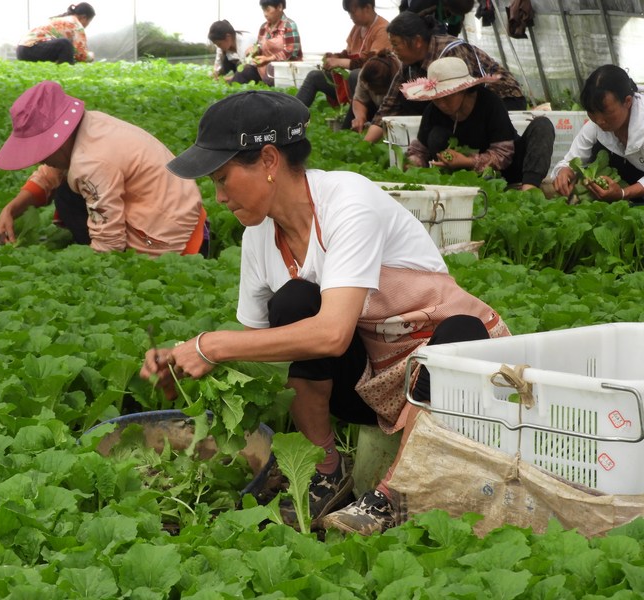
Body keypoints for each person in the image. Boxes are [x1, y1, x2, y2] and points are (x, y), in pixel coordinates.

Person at [139, 90, 510, 535]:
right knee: (295, 302)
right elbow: (258, 347)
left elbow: (332, 335)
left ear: (270, 160)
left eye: (222, 178)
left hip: (453, 377)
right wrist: (182, 361)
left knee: (460, 336)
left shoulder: (347, 202)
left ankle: (394, 496)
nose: (218, 197)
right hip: (374, 383)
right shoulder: (259, 234)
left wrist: (213, 346)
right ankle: (327, 470)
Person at [0, 81, 207, 256]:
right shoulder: (88, 125)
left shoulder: (91, 162)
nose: (39, 160)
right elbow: (49, 175)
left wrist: (85, 271)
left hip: (171, 243)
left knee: (67, 195)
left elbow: (109, 243)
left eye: (42, 149)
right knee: (67, 188)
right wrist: (11, 209)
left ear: (61, 138)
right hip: (187, 221)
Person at [402, 57, 555, 190]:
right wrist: (413, 164)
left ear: (463, 90)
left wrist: (467, 161)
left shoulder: (489, 103)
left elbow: (503, 154)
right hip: (462, 179)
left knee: (542, 125)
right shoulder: (433, 110)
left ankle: (529, 190)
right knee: (437, 135)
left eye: (447, 97)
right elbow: (419, 150)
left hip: (509, 171)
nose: (441, 103)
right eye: (436, 97)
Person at [370, 11, 526, 140]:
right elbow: (389, 106)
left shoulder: (449, 52)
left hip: (503, 100)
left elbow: (471, 95)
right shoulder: (408, 65)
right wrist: (366, 143)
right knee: (407, 97)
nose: (393, 50)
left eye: (396, 44)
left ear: (417, 41)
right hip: (461, 106)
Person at [552, 64, 644, 204]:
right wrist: (563, 172)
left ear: (627, 101)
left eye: (606, 112)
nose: (599, 121)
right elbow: (569, 161)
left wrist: (623, 193)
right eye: (592, 113)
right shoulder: (594, 126)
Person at [294, 0, 390, 129]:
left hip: (372, 89)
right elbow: (348, 52)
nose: (351, 16)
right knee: (314, 77)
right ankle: (292, 115)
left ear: (367, 7)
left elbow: (372, 65)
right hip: (351, 85)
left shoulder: (382, 29)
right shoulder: (357, 28)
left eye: (353, 11)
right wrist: (334, 58)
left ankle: (359, 123)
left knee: (356, 75)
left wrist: (339, 62)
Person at [231, 0, 303, 87]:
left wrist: (268, 59)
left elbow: (291, 52)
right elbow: (260, 47)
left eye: (267, 10)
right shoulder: (263, 27)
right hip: (264, 72)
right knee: (243, 72)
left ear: (280, 7)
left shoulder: (289, 25)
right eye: (263, 10)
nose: (265, 14)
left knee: (268, 79)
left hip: (284, 74)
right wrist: (254, 51)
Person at [16, 3, 95, 64]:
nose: (87, 25)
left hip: (21, 50)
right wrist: (91, 56)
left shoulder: (62, 19)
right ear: (84, 17)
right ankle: (65, 78)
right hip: (32, 48)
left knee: (66, 48)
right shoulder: (76, 24)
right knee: (65, 44)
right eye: (89, 22)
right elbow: (81, 55)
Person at [351, 50, 401, 142]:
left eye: (378, 90)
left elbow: (387, 111)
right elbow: (359, 99)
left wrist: (365, 144)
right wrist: (360, 117)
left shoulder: (400, 75)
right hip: (375, 108)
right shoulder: (365, 73)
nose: (375, 93)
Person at [399, 0, 476, 36]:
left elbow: (454, 30)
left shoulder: (460, 5)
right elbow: (406, 21)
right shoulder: (423, 3)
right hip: (414, 10)